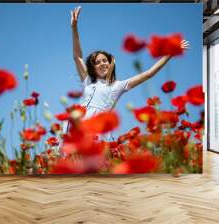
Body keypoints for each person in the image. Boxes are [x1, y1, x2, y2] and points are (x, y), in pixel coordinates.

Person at [69, 6, 189, 141]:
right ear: (93, 68)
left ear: (110, 65)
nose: (102, 63)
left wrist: (170, 53)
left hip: (98, 128)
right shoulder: (88, 81)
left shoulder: (117, 86)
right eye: (97, 62)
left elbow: (149, 74)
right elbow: (77, 57)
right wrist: (74, 27)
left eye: (105, 61)